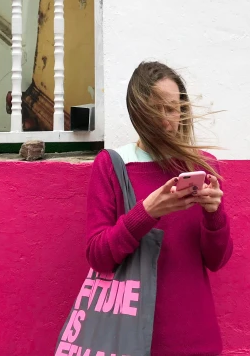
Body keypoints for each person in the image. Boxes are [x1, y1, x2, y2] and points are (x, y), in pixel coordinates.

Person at [85, 61, 233, 356]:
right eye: (156, 110)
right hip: (131, 341)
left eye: (173, 109)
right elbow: (98, 256)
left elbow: (216, 260)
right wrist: (147, 212)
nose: (166, 121)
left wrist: (214, 214)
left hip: (197, 338)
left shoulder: (202, 166)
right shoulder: (114, 164)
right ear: (138, 113)